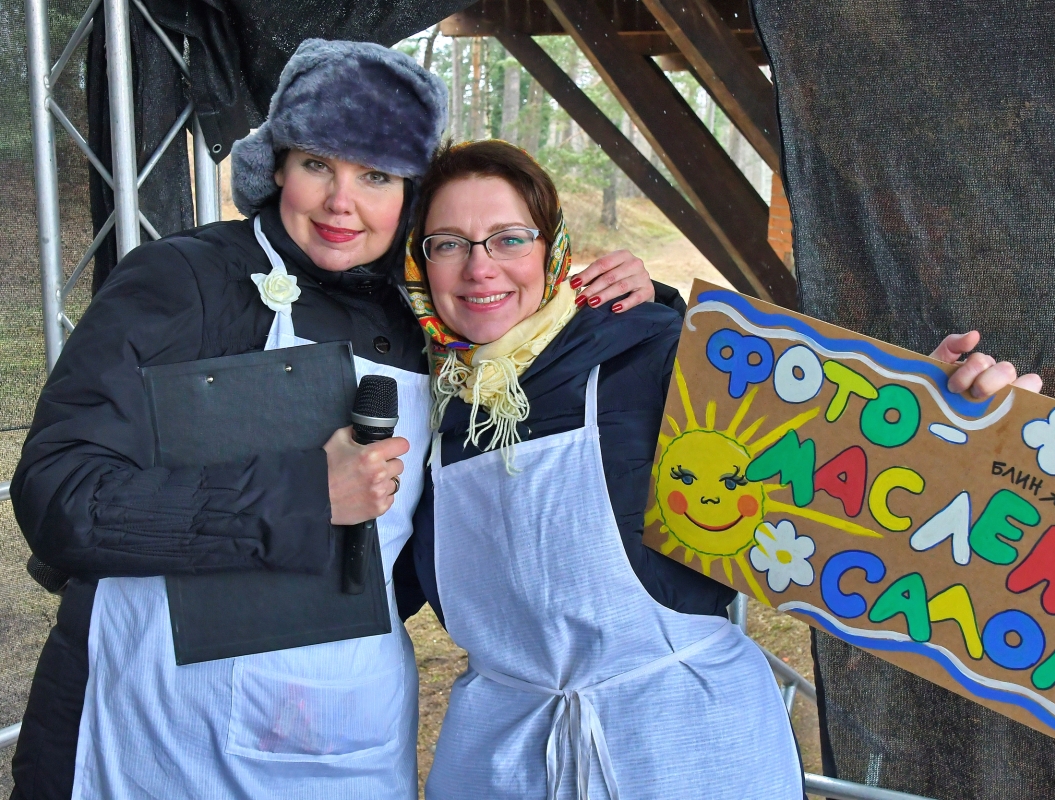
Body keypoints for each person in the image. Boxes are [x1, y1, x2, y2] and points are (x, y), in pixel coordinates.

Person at [9, 41, 663, 800]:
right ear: (276, 166)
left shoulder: (431, 319)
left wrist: (642, 306)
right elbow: (58, 499)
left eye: (376, 175)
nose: (339, 203)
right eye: (318, 164)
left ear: (410, 195)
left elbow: (545, 377)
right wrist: (304, 496)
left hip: (337, 732)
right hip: (151, 725)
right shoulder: (182, 281)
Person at [402, 139, 1043, 799]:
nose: (480, 267)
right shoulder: (423, 406)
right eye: (448, 244)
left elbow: (832, 449)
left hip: (690, 746)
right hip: (503, 761)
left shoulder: (651, 356)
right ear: (420, 265)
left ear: (552, 249)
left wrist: (939, 412)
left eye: (509, 238)